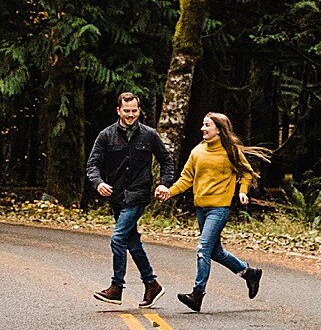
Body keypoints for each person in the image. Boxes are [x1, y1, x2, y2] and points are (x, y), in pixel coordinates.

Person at [155, 112, 265, 312]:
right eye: (203, 125)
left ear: (218, 129)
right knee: (216, 252)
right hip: (201, 208)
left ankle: (197, 294)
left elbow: (246, 172)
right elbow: (186, 178)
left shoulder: (230, 151)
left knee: (203, 249)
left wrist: (242, 191)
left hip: (219, 208)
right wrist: (169, 192)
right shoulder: (197, 151)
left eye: (207, 125)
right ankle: (249, 273)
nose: (202, 129)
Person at [86, 91, 170, 305]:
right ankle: (152, 284)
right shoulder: (106, 135)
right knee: (132, 243)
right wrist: (99, 183)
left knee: (118, 238)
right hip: (116, 196)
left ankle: (117, 287)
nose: (131, 115)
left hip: (138, 195)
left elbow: (166, 161)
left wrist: (163, 183)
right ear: (118, 110)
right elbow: (92, 165)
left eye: (134, 111)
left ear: (139, 111)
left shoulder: (149, 135)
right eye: (127, 111)